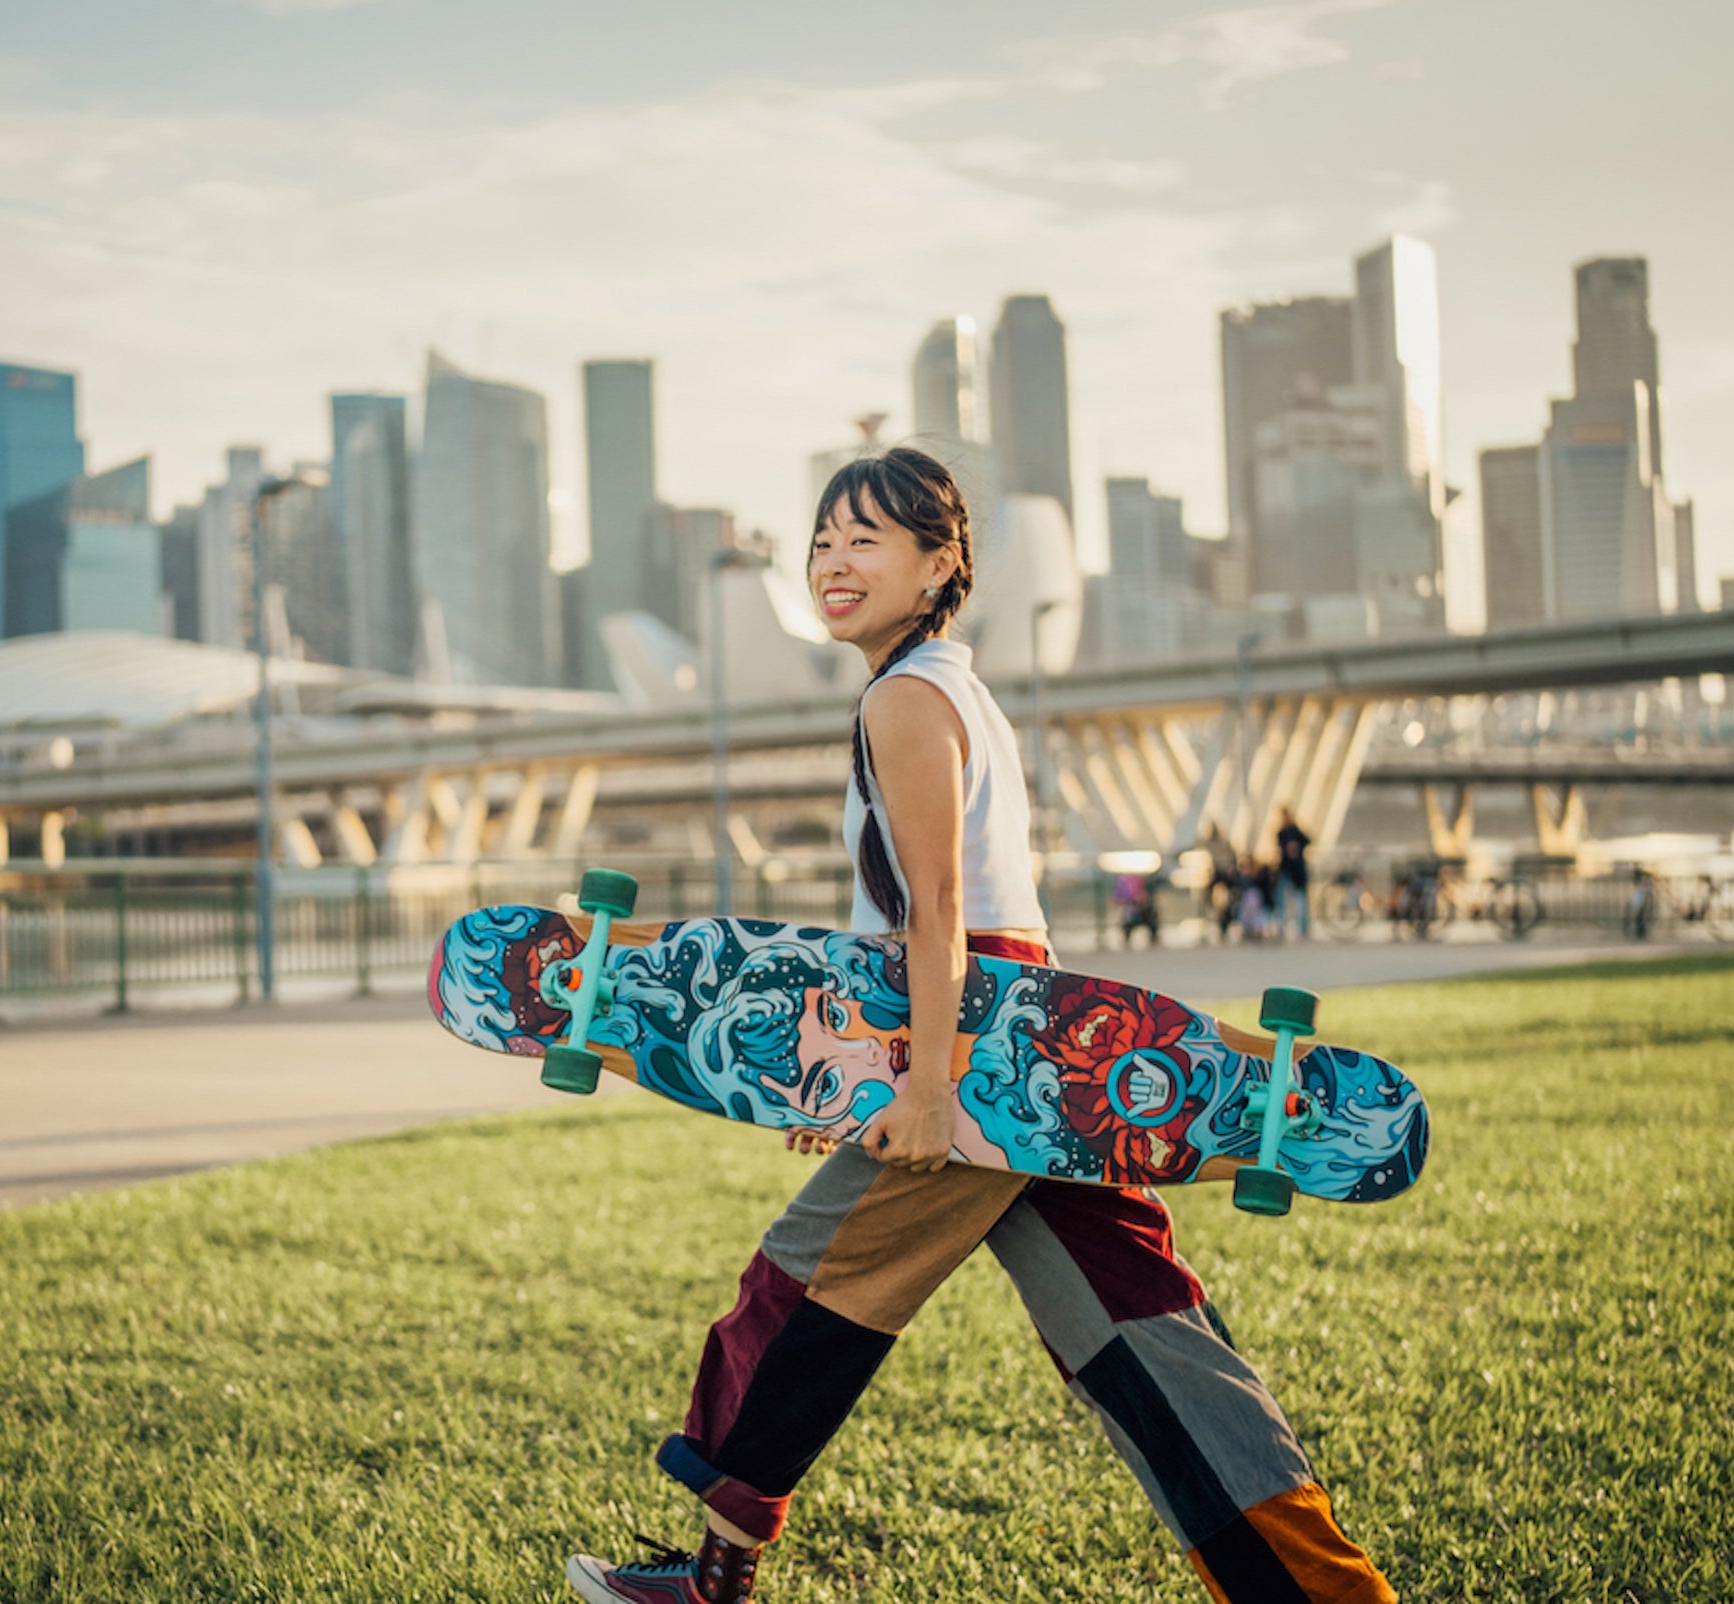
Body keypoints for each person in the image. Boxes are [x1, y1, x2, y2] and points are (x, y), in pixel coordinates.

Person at [564, 447, 1393, 1604]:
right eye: (820, 540)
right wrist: (871, 1081)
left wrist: (928, 1086)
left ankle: (712, 1579)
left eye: (866, 538)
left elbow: (940, 910)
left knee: (799, 1290)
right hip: (1038, 1044)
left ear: (939, 561)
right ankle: (1327, 1593)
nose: (833, 562)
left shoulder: (904, 696)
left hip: (980, 1042)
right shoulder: (958, 687)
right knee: (1146, 1337)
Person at [1276, 808, 1313, 939]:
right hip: (1287, 871)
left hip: (1296, 872)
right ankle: (1282, 928)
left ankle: (1302, 929)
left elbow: (1309, 841)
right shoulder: (1281, 832)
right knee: (1283, 901)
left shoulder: (1296, 831)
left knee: (1299, 902)